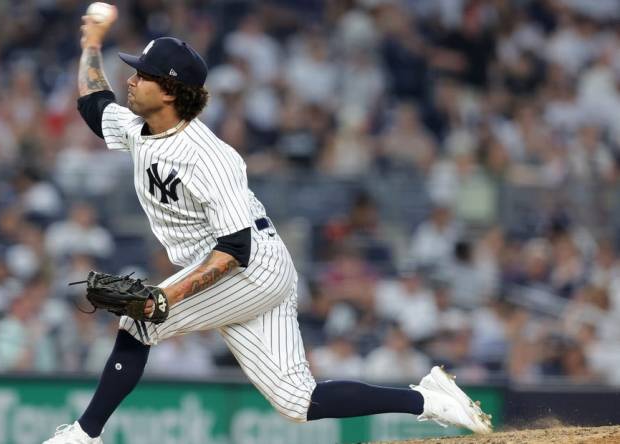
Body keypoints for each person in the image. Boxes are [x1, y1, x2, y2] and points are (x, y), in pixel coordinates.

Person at [44, 4, 492, 443]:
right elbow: (92, 102)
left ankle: (84, 435)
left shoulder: (208, 157)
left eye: (142, 75)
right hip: (238, 269)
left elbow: (236, 248)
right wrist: (91, 42)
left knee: (140, 322)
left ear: (168, 91)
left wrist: (167, 296)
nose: (132, 79)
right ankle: (427, 401)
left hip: (251, 268)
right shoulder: (137, 128)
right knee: (298, 401)